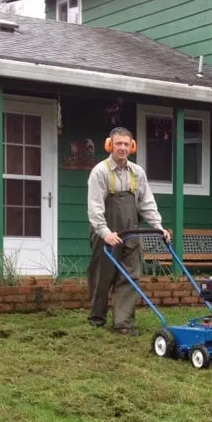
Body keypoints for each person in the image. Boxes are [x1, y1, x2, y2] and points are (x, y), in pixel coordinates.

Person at [87, 127, 172, 334]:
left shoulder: (137, 172)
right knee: (102, 276)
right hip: (106, 233)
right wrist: (105, 232)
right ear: (110, 145)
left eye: (126, 144)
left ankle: (123, 324)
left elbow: (146, 203)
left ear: (132, 146)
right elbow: (95, 206)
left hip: (131, 233)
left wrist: (158, 227)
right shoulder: (100, 171)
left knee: (129, 277)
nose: (122, 148)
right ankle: (97, 318)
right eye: (118, 144)